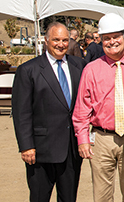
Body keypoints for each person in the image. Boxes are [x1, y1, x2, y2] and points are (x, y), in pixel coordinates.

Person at [72, 13, 124, 202]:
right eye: (106, 38)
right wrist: (83, 140)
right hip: (101, 139)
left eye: (116, 36)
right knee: (102, 194)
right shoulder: (91, 69)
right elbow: (81, 109)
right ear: (100, 40)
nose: (112, 42)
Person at [12, 22, 86, 202]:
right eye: (56, 40)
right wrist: (26, 145)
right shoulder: (28, 70)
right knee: (39, 197)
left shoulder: (80, 65)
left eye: (64, 40)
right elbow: (22, 112)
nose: (61, 44)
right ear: (46, 41)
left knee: (68, 197)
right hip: (40, 149)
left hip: (71, 149)